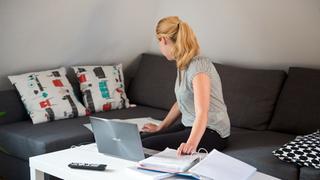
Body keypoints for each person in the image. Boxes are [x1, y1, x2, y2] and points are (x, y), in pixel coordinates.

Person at [141, 16, 230, 156]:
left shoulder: (198, 66)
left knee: (145, 145)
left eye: (159, 42)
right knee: (139, 138)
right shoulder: (183, 63)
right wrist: (160, 128)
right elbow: (182, 101)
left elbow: (202, 112)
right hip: (189, 125)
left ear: (163, 40)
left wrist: (191, 144)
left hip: (213, 132)